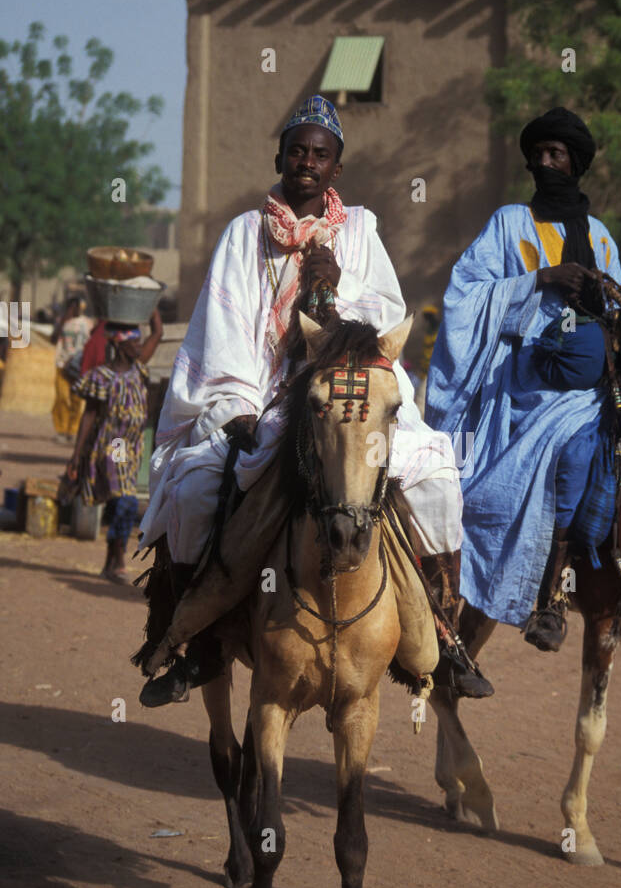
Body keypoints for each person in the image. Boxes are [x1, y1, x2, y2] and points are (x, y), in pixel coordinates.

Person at [137, 95, 491, 705]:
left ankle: (441, 635)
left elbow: (383, 324)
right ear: (279, 157)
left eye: (320, 154)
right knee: (195, 489)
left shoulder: (360, 231)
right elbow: (220, 334)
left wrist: (336, 283)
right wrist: (236, 408)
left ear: (337, 169)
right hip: (265, 396)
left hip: (346, 399)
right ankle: (201, 641)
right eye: (297, 150)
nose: (307, 161)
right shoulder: (244, 234)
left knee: (435, 476)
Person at [425, 106, 621, 651]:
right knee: (553, 461)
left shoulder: (601, 237)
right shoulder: (510, 222)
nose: (545, 162)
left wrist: (603, 300)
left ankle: (607, 585)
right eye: (538, 154)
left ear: (574, 163)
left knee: (613, 452)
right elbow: (466, 294)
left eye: (555, 154)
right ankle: (544, 596)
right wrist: (541, 279)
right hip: (520, 387)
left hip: (587, 391)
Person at [66, 311, 163, 583]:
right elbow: (89, 415)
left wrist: (151, 303)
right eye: (134, 342)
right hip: (115, 445)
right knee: (128, 501)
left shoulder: (139, 368)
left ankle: (110, 560)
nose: (140, 346)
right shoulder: (102, 376)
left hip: (133, 447)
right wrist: (76, 456)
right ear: (120, 344)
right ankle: (119, 559)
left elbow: (158, 333)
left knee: (120, 502)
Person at [51, 297, 92, 441]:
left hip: (79, 366)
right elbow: (53, 338)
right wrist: (62, 321)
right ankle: (61, 430)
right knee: (61, 397)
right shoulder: (62, 321)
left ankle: (73, 431)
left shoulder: (87, 323)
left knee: (77, 399)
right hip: (62, 364)